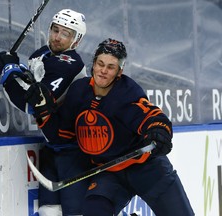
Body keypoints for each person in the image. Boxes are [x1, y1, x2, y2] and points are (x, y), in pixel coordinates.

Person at [34, 38, 195, 216]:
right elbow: (61, 135)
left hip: (147, 169)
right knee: (93, 209)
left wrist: (159, 131)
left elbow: (152, 117)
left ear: (119, 71)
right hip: (110, 172)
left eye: (110, 67)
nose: (103, 71)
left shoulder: (126, 93)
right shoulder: (78, 92)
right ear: (93, 64)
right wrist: (43, 112)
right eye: (100, 64)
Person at [0, 9, 92, 216]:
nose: (57, 37)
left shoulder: (70, 65)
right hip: (52, 148)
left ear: (76, 40)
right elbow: (30, 85)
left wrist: (7, 73)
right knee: (48, 211)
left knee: (76, 212)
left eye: (65, 33)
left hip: (75, 152)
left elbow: (34, 103)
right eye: (55, 30)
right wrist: (16, 67)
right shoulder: (41, 54)